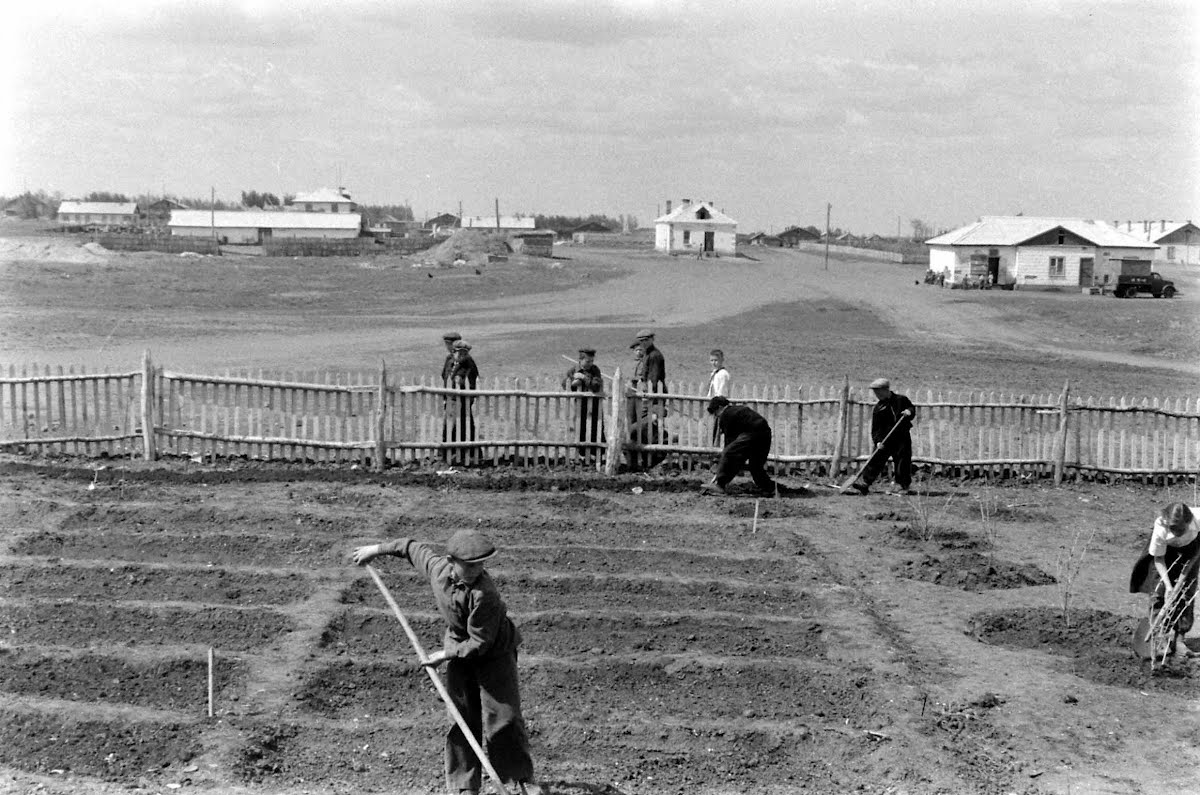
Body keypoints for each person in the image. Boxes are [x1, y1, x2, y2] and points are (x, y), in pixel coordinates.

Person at [352, 530, 543, 795]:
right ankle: (464, 785)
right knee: (461, 716)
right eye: (471, 564)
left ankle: (516, 779)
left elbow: (480, 643)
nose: (477, 570)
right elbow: (409, 547)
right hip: (458, 645)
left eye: (481, 564)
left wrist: (443, 655)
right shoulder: (437, 568)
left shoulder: (484, 593)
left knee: (503, 717)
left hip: (494, 652)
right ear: (451, 561)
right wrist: (375, 549)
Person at [1130, 502, 1199, 659]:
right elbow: (1159, 558)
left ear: (1189, 522)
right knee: (1158, 592)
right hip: (1165, 555)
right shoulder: (1161, 528)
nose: (1176, 532)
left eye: (1181, 529)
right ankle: (1158, 638)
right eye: (1173, 529)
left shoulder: (1198, 519)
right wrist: (1168, 586)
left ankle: (1179, 641)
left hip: (1192, 551)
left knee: (1187, 594)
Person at [847, 378, 916, 495]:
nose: (876, 394)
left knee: (902, 461)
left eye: (878, 391)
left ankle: (902, 485)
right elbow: (875, 429)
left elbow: (912, 408)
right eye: (875, 392)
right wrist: (877, 441)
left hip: (901, 437)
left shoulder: (901, 400)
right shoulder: (879, 408)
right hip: (885, 439)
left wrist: (909, 412)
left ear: (886, 390)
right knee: (875, 460)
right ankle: (865, 483)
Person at [702, 395, 775, 496]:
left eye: (715, 413)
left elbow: (729, 442)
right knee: (755, 465)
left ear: (719, 408)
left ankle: (720, 485)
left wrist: (722, 461)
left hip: (753, 433)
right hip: (765, 434)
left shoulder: (726, 415)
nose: (716, 416)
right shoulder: (737, 411)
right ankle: (769, 488)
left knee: (729, 453)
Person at [562, 347, 605, 461]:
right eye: (587, 361)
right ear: (580, 360)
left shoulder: (595, 370)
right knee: (580, 428)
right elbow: (564, 384)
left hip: (595, 404)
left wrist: (583, 377)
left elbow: (596, 385)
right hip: (580, 404)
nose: (590, 364)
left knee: (596, 428)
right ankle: (581, 455)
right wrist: (574, 382)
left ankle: (598, 454)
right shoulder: (573, 370)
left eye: (591, 361)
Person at [446, 340, 479, 464]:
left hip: (463, 399)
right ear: (454, 352)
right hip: (453, 398)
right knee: (454, 425)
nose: (461, 356)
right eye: (459, 353)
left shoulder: (468, 364)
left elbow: (471, 381)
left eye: (464, 354)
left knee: (464, 425)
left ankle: (469, 454)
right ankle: (451, 452)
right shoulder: (452, 362)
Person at [705, 349, 731, 445]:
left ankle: (714, 449)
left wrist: (717, 403)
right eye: (712, 360)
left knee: (716, 430)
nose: (714, 363)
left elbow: (722, 391)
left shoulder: (723, 374)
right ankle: (710, 447)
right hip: (712, 404)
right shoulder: (714, 373)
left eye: (716, 360)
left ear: (722, 360)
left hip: (719, 406)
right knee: (711, 429)